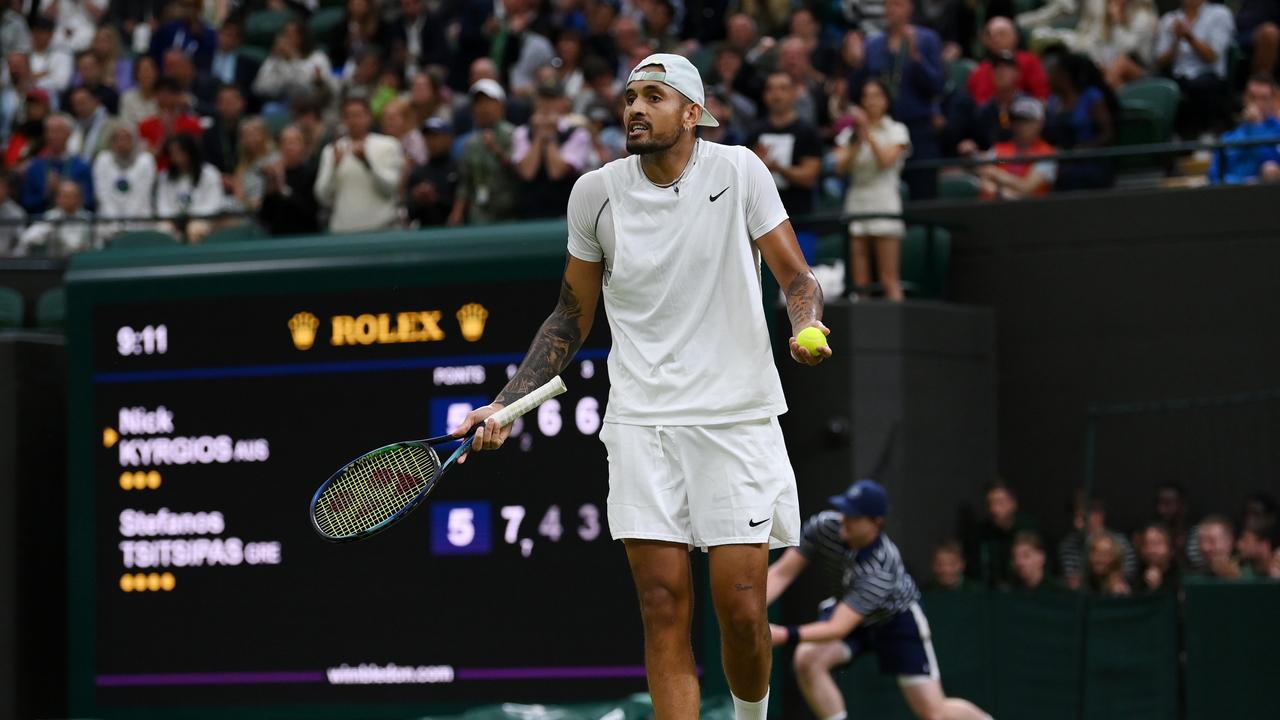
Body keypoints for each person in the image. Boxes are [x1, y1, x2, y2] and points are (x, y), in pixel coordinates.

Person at [448, 53, 831, 720]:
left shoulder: (740, 172)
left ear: (692, 114)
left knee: (741, 612)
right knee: (661, 608)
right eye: (630, 96)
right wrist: (508, 401)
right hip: (642, 423)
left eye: (653, 96)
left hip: (736, 418)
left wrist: (806, 324)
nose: (634, 108)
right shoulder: (595, 193)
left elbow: (797, 279)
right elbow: (571, 314)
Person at [766, 480, 993, 720]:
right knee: (807, 659)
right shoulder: (824, 526)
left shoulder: (881, 567)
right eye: (844, 510)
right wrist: (753, 609)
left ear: (876, 523)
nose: (845, 519)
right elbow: (782, 573)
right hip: (850, 608)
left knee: (934, 712)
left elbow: (837, 628)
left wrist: (782, 634)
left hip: (895, 622)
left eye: (854, 516)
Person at [848, 0, 945, 199]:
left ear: (910, 7)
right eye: (888, 5)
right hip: (883, 127)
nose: (891, 10)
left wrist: (916, 57)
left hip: (918, 127)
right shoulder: (874, 44)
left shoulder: (927, 39)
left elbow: (937, 86)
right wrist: (857, 64)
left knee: (923, 190)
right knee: (882, 189)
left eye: (897, 4)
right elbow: (858, 89)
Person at [835, 78, 910, 301]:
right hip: (857, 203)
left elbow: (885, 161)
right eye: (866, 96)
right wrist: (858, 139)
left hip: (885, 202)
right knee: (861, 283)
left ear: (886, 100)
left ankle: (901, 333)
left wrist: (868, 132)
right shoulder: (850, 135)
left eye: (877, 95)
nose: (871, 101)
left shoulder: (897, 130)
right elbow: (840, 167)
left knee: (889, 278)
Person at [314, 96, 405, 233]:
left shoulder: (389, 145)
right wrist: (334, 167)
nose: (353, 121)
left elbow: (390, 188)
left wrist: (367, 163)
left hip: (381, 228)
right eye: (348, 116)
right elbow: (322, 196)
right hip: (343, 231)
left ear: (369, 117)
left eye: (358, 115)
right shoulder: (331, 150)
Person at [1154, 0, 1235, 138]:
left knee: (1200, 86)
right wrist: (1176, 41)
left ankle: (1206, 133)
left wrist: (1189, 36)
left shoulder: (1220, 14)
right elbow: (1160, 61)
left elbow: (1212, 57)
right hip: (1178, 76)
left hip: (1209, 75)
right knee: (1161, 88)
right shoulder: (1169, 19)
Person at [749, 71, 824, 219]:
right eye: (770, 89)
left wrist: (777, 168)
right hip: (761, 218)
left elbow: (809, 177)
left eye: (783, 89)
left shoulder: (807, 132)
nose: (776, 95)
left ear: (794, 93)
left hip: (800, 218)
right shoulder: (754, 132)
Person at [513, 81, 593, 219]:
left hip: (565, 215)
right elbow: (527, 173)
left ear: (563, 102)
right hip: (529, 215)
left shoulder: (578, 133)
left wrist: (549, 136)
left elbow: (556, 172)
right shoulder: (522, 133)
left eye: (552, 99)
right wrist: (539, 135)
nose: (547, 104)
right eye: (542, 99)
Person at [448, 79, 519, 225]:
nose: (483, 108)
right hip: (479, 217)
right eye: (478, 103)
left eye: (489, 102)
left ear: (501, 105)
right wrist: (457, 213)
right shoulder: (470, 144)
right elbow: (465, 183)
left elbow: (521, 172)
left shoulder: (515, 135)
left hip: (510, 215)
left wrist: (497, 151)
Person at [1043, 52, 1117, 190]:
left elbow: (1108, 134)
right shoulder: (1053, 101)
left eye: (1052, 73)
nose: (1048, 78)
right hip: (1060, 160)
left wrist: (1085, 148)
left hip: (1091, 161)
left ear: (1064, 76)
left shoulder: (1092, 97)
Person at [977, 97, 1058, 200]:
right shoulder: (1001, 150)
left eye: (1026, 120)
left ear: (1040, 123)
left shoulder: (1046, 153)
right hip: (992, 209)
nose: (1020, 125)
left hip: (1031, 211)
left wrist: (996, 174)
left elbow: (1027, 186)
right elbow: (983, 170)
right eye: (1017, 120)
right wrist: (1000, 191)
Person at [965, 480, 1039, 587]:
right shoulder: (982, 533)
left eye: (1000, 503)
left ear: (1013, 503)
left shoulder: (1030, 529)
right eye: (990, 503)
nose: (994, 509)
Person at [252, 21, 337, 112]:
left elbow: (307, 86)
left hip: (313, 106)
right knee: (269, 109)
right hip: (284, 104)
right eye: (285, 35)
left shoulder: (318, 58)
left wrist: (292, 58)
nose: (287, 39)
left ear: (302, 37)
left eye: (292, 35)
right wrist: (276, 61)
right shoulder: (275, 59)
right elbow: (259, 88)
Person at [1209, 75, 1280, 184]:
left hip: (1266, 195)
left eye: (1264, 98)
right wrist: (1241, 183)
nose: (1258, 104)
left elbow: (1272, 163)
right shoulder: (1229, 137)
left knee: (1270, 169)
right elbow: (1215, 176)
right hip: (1233, 194)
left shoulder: (1277, 132)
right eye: (1252, 97)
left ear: (1272, 101)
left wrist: (1257, 126)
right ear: (1244, 99)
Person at [1058, 494, 1138, 589]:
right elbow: (1072, 582)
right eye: (1074, 517)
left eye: (1083, 518)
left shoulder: (1121, 543)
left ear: (1099, 515)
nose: (1077, 525)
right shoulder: (1068, 545)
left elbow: (1126, 579)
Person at [20, 113, 95, 215]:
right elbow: (27, 202)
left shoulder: (82, 166)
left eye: (58, 131)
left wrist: (69, 198)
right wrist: (46, 193)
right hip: (41, 222)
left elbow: (89, 202)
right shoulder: (35, 167)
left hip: (74, 223)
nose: (52, 136)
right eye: (49, 131)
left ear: (69, 134)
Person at [92, 125, 156, 241]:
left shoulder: (146, 161)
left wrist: (127, 225)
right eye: (118, 139)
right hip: (109, 219)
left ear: (135, 140)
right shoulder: (103, 160)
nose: (122, 143)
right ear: (111, 142)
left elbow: (141, 195)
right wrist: (116, 225)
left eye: (126, 138)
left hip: (139, 218)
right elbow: (103, 193)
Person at [154, 133, 222, 241]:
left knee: (195, 229)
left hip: (202, 219)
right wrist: (174, 219)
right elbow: (162, 203)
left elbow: (214, 203)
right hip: (173, 220)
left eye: (179, 152)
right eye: (172, 153)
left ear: (190, 152)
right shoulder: (165, 176)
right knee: (163, 230)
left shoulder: (210, 173)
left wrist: (192, 217)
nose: (175, 157)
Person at [967, 17, 1051, 105]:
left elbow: (1042, 98)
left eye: (1002, 34)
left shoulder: (1030, 62)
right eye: (991, 36)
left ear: (1015, 36)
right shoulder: (979, 71)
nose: (996, 39)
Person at [258, 125, 320, 236]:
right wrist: (270, 190)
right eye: (284, 142)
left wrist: (283, 189)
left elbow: (310, 211)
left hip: (306, 236)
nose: (288, 147)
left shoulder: (312, 172)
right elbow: (265, 217)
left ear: (303, 146)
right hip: (278, 237)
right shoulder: (274, 173)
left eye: (294, 142)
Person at [15, 179, 93, 256]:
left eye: (70, 196)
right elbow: (27, 238)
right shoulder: (50, 217)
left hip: (83, 263)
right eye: (63, 196)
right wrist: (48, 228)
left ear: (79, 198)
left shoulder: (88, 218)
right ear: (57, 198)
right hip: (56, 264)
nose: (66, 200)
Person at [405, 117, 459, 227]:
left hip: (458, 232)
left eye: (436, 137)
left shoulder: (459, 168)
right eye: (428, 137)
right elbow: (410, 213)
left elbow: (465, 205)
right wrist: (418, 200)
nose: (432, 142)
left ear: (449, 139)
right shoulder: (418, 172)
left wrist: (436, 199)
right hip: (427, 234)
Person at [67, 85, 119, 162]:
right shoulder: (73, 126)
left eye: (82, 103)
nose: (79, 108)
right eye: (76, 105)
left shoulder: (112, 124)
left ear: (95, 101)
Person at [1194, 515, 1245, 579]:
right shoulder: (1196, 578)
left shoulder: (1249, 577)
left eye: (1211, 541)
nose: (1204, 547)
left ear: (1228, 542)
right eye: (1201, 541)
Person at [1135, 522, 1181, 592]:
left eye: (1157, 543)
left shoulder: (1181, 579)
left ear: (1171, 548)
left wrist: (1157, 588)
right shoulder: (1135, 578)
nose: (1151, 550)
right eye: (1146, 544)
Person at [118, 55, 158, 128]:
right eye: (142, 71)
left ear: (155, 73)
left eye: (149, 71)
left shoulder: (163, 98)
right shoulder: (127, 97)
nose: (146, 75)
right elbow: (126, 126)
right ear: (136, 74)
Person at [0, 173, 28, 254]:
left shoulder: (16, 213)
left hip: (7, 261)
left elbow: (22, 242)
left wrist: (12, 260)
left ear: (6, 189)